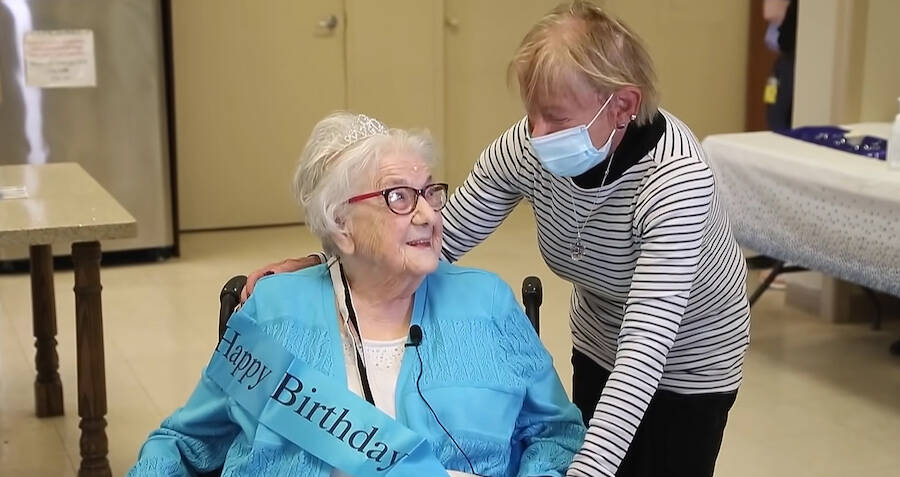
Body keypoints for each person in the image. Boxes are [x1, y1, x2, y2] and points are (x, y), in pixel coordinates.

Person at [243, 2, 750, 476]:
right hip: (600, 329)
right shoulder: (532, 146)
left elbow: (643, 355)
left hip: (689, 354)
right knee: (586, 439)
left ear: (622, 105)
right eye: (532, 113)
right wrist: (325, 262)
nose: (537, 132)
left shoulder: (676, 182)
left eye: (557, 117)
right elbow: (436, 234)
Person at [128, 112, 585, 476]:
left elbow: (557, 435)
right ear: (341, 224)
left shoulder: (486, 303)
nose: (427, 214)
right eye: (399, 197)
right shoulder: (274, 312)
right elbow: (183, 444)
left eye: (429, 192)